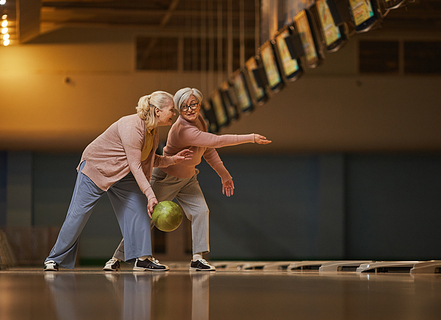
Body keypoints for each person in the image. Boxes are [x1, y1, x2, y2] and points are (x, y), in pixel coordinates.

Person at [104, 87, 271, 272]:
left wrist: (224, 174)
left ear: (199, 104)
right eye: (184, 107)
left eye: (193, 104)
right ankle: (116, 258)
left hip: (189, 178)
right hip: (166, 177)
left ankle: (197, 258)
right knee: (146, 219)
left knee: (201, 211)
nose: (190, 110)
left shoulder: (200, 121)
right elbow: (216, 141)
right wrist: (251, 137)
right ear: (178, 109)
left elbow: (208, 150)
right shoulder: (182, 129)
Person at [44, 91, 193, 272]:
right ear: (157, 111)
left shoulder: (152, 131)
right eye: (172, 110)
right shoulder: (132, 126)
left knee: (139, 209)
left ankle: (142, 259)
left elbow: (148, 160)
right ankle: (54, 259)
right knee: (78, 215)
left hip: (122, 173)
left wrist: (173, 160)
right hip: (96, 169)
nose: (174, 114)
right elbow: (136, 165)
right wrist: (150, 194)